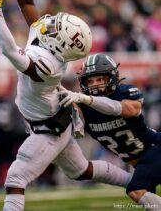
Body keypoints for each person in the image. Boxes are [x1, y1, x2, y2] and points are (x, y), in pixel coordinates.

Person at [0, 0, 131, 211]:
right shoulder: (47, 42)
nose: (52, 22)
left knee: (16, 177)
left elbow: (9, 51)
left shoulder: (50, 66)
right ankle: (138, 182)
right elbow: (26, 3)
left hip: (48, 129)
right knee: (81, 171)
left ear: (61, 46)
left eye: (58, 28)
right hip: (54, 119)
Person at [59, 53, 161, 211]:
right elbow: (74, 127)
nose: (94, 85)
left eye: (99, 79)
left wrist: (88, 100)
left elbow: (127, 109)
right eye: (90, 80)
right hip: (141, 161)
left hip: (154, 149)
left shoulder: (125, 92)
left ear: (111, 78)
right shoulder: (84, 106)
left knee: (136, 190)